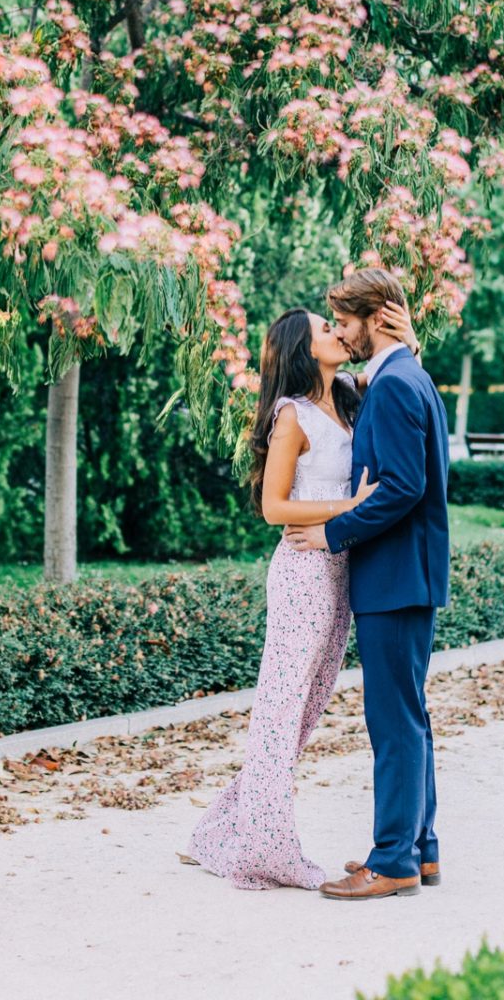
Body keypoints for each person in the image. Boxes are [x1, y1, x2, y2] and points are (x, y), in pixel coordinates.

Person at [180, 298, 417, 889]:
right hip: (304, 571)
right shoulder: (292, 415)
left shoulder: (350, 397)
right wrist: (351, 506)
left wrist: (408, 337)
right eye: (323, 329)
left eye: (335, 325)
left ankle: (218, 831)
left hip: (342, 572)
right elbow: (272, 507)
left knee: (304, 710)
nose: (336, 332)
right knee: (281, 709)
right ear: (301, 350)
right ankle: (268, 848)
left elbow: (400, 373)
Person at [283, 268, 452, 901]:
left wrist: (333, 533)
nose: (343, 334)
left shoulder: (395, 386)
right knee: (409, 717)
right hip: (407, 574)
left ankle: (393, 863)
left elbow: (403, 488)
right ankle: (420, 850)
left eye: (347, 321)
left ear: (377, 317)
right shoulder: (405, 376)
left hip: (395, 575)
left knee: (393, 722)